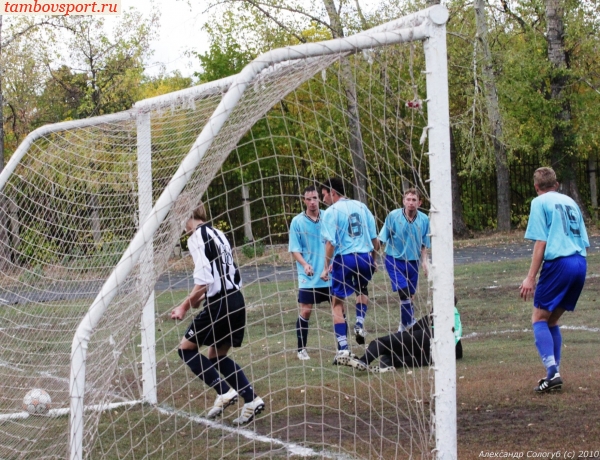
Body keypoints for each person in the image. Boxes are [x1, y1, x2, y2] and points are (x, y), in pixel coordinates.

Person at [171, 204, 265, 424]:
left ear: (184, 214)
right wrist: (199, 299)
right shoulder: (219, 233)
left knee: (186, 349)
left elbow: (204, 281)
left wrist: (184, 306)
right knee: (216, 356)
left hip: (220, 305)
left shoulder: (195, 238)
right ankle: (251, 400)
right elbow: (225, 275)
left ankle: (224, 391)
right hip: (235, 300)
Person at [519, 167, 589, 393]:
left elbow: (541, 242)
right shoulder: (570, 201)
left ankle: (551, 372)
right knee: (552, 320)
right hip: (580, 262)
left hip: (559, 263)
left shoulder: (539, 202)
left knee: (539, 318)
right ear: (556, 184)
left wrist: (531, 277)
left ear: (536, 187)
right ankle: (554, 373)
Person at [319, 177, 380, 363]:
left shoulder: (331, 212)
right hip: (364, 257)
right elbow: (375, 241)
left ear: (333, 193)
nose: (323, 200)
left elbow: (330, 244)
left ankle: (343, 349)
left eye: (324, 195)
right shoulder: (362, 207)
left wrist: (325, 268)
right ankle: (360, 323)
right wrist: (373, 260)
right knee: (362, 290)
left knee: (337, 302)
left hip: (345, 259)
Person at [338, 297, 463, 373]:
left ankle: (363, 361)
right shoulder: (456, 321)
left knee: (381, 342)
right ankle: (389, 361)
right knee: (406, 357)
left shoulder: (438, 314)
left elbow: (412, 331)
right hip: (440, 353)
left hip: (431, 337)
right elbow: (459, 353)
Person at [378, 188, 430, 332]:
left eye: (414, 200)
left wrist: (425, 262)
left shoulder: (424, 219)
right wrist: (372, 258)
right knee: (404, 292)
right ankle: (411, 323)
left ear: (419, 203)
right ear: (403, 201)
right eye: (408, 199)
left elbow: (424, 244)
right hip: (394, 260)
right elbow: (381, 239)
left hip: (413, 262)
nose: (411, 203)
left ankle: (402, 326)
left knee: (409, 297)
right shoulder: (393, 216)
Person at [289, 185, 331, 361]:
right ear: (304, 200)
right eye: (309, 199)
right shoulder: (297, 222)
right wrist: (305, 264)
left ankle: (342, 347)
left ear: (319, 199)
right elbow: (294, 249)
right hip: (309, 276)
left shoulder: (328, 217)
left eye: (315, 198)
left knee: (338, 309)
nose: (312, 202)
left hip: (329, 273)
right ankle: (301, 349)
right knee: (305, 311)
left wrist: (331, 265)